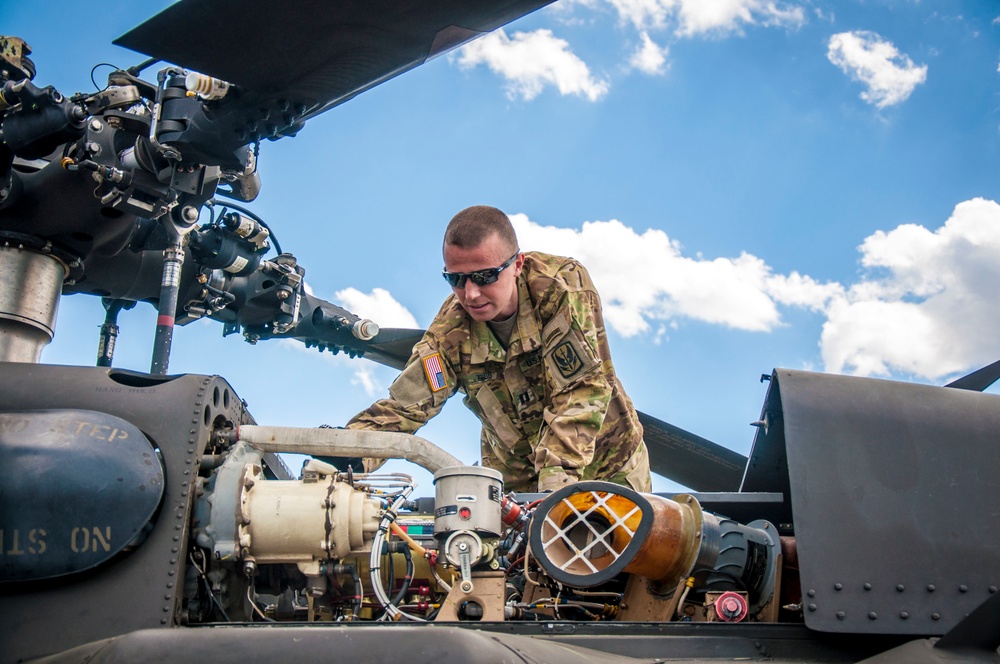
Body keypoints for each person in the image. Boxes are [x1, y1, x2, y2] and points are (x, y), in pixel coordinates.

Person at [346, 205, 651, 493]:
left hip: (608, 472)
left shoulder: (559, 287)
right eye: (455, 279)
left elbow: (581, 390)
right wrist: (341, 459)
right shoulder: (450, 334)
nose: (470, 294)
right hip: (518, 493)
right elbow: (404, 409)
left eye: (484, 276)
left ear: (517, 264)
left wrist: (554, 488)